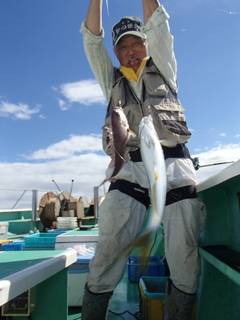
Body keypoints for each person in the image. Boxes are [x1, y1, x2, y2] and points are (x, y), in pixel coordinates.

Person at [80, 0, 205, 319]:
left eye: (138, 43)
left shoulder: (163, 66)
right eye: (124, 47)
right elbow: (92, 40)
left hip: (174, 166)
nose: (132, 50)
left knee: (185, 260)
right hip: (129, 171)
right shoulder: (112, 81)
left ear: (147, 45)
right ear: (117, 53)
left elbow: (158, 23)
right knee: (105, 256)